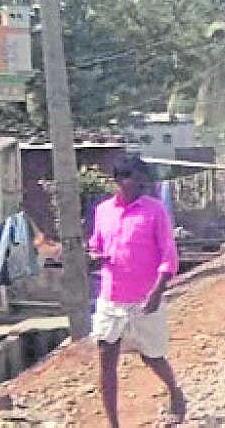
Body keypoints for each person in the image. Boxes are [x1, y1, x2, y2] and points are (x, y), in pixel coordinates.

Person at [88, 154, 185, 426]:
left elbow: (168, 254)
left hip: (145, 298)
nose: (138, 182)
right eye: (132, 177)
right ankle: (113, 423)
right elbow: (96, 245)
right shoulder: (103, 211)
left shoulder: (155, 210)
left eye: (142, 177)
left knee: (152, 356)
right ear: (118, 180)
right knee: (106, 360)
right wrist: (94, 256)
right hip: (110, 297)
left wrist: (157, 291)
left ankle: (175, 392)